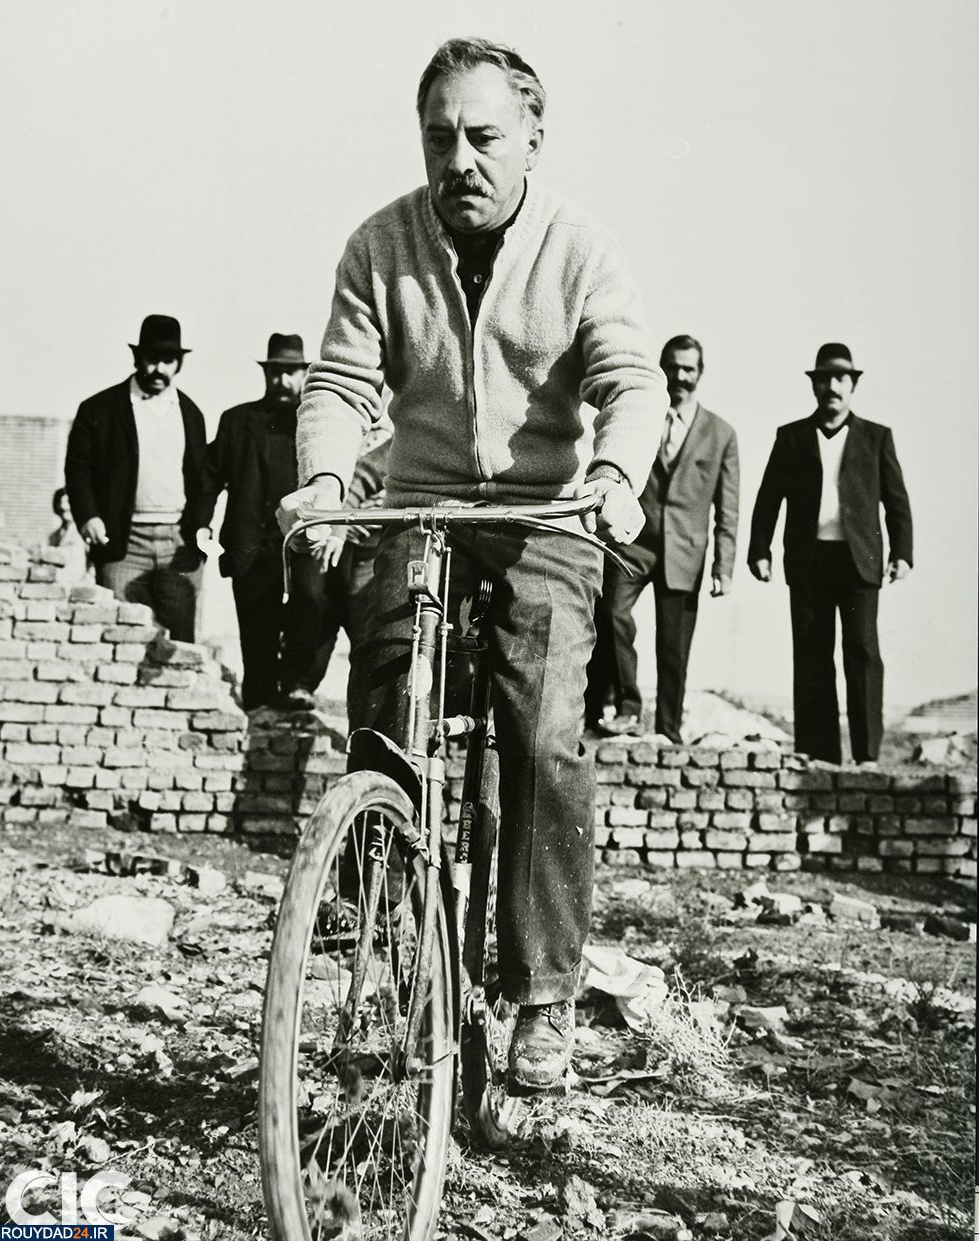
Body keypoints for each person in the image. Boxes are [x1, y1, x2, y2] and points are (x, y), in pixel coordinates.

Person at [277, 37, 668, 1090]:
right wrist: (324, 482)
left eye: (484, 137)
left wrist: (617, 470)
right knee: (383, 690)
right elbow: (340, 383)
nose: (460, 160)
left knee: (541, 726)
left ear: (533, 138)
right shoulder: (381, 244)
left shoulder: (581, 248)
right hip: (423, 504)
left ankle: (543, 993)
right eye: (439, 137)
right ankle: (387, 914)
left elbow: (632, 381)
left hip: (546, 514)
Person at [198, 333, 387, 712]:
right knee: (257, 636)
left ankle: (293, 695)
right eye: (275, 372)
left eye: (290, 372)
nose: (282, 381)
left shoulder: (317, 425)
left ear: (303, 374)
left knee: (310, 612)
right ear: (266, 374)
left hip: (304, 545)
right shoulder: (237, 421)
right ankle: (258, 712)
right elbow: (208, 478)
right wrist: (202, 524)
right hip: (252, 549)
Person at [748, 343, 913, 766]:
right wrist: (760, 549)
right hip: (809, 560)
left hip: (860, 561)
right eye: (824, 379)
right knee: (811, 654)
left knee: (862, 652)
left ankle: (867, 754)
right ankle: (818, 754)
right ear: (815, 385)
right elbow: (769, 497)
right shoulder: (791, 437)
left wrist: (902, 552)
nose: (832, 387)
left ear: (852, 385)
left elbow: (896, 501)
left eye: (841, 379)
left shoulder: (876, 437)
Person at [586, 334, 739, 740]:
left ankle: (668, 731)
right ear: (662, 368)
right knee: (611, 615)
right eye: (673, 367)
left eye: (689, 369)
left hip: (685, 553)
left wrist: (723, 566)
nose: (681, 376)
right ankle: (627, 708)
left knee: (674, 645)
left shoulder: (722, 434)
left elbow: (729, 509)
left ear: (700, 373)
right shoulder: (641, 419)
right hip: (632, 543)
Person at [64, 314, 206, 641]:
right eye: (152, 359)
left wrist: (199, 527)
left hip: (177, 544)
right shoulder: (99, 409)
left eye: (168, 361)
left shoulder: (191, 413)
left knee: (178, 643)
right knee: (121, 636)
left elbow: (202, 479)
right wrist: (88, 517)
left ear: (179, 364)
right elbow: (77, 469)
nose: (159, 369)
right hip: (122, 544)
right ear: (138, 358)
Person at [47, 487, 90, 586]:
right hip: (56, 586)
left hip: (79, 585)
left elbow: (92, 565)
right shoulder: (54, 535)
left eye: (68, 502)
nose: (63, 507)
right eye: (60, 502)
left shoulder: (85, 532)